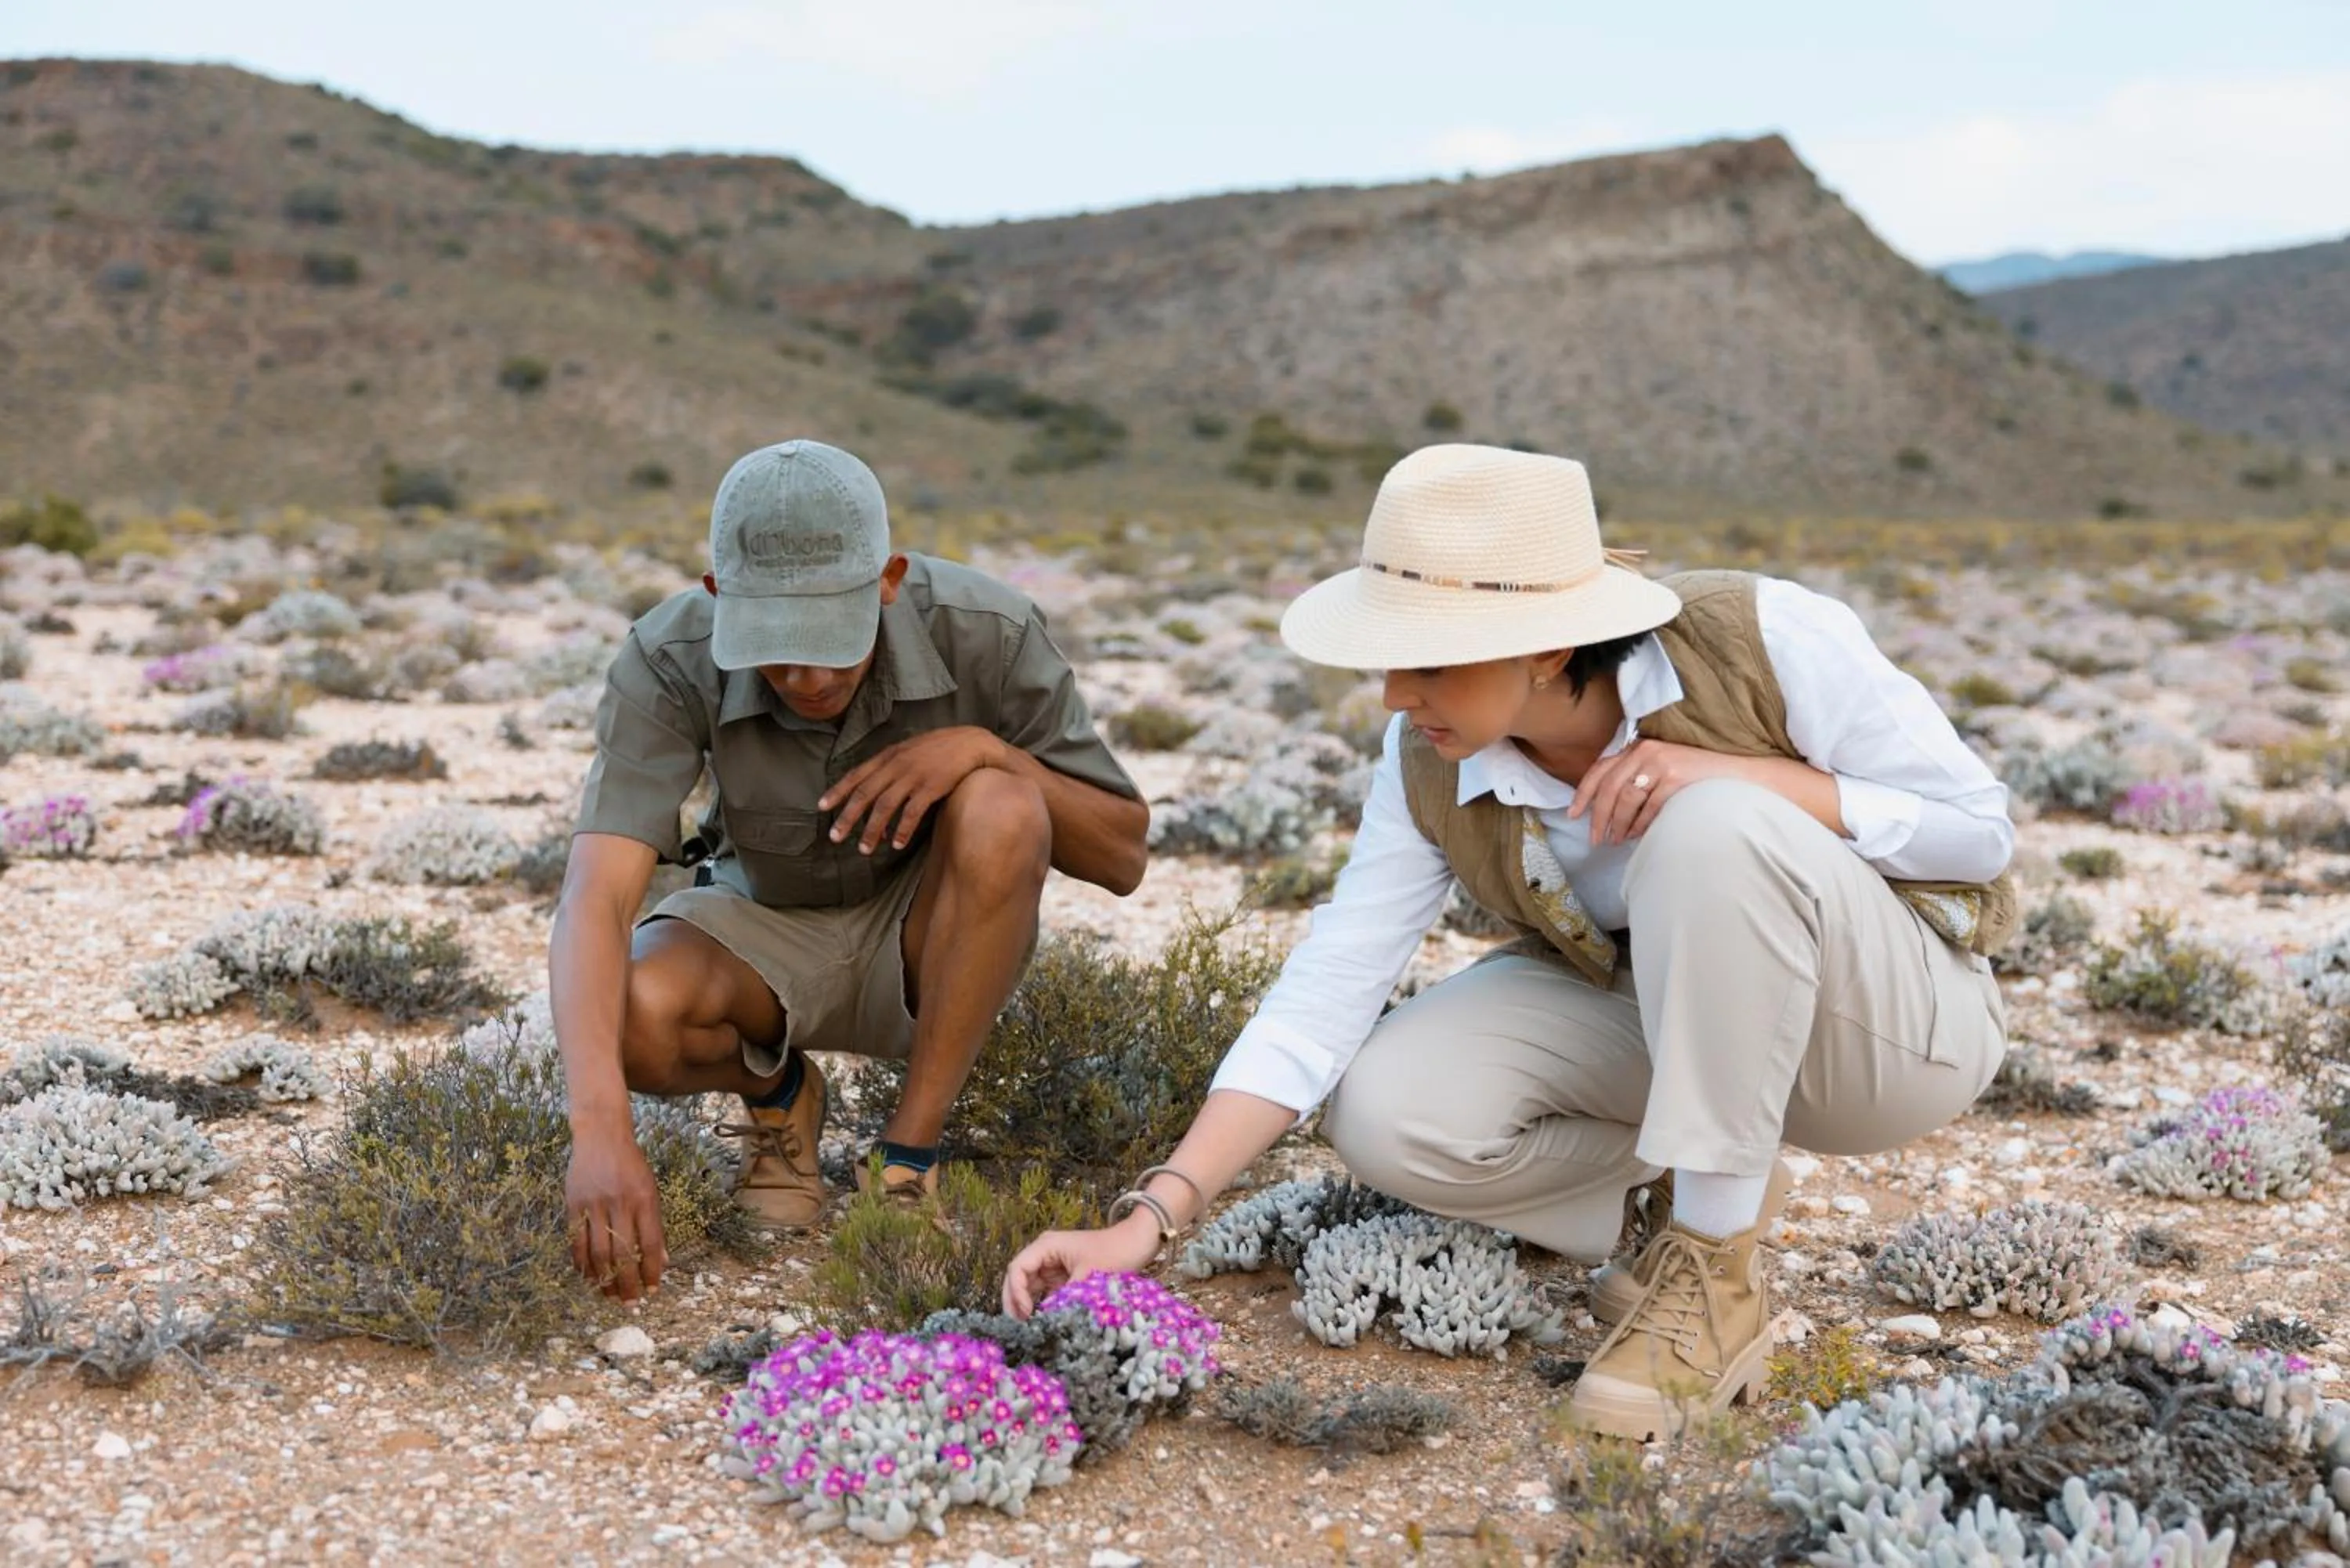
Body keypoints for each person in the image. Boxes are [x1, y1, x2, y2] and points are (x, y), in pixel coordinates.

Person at [1003, 443, 2015, 1440]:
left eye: (1431, 660)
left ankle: (1713, 1267)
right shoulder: (1427, 758)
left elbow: (1980, 832)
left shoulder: (1766, 634)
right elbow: (1331, 981)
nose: (1398, 695)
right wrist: (1152, 1215)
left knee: (1711, 827)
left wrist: (1747, 782)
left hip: (1893, 1036)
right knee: (1389, 1108)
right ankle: (1691, 1184)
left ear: (1546, 646)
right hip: (1671, 1025)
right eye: (1391, 658)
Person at [555, 439, 1148, 1302]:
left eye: (832, 641)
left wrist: (983, 752)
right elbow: (594, 899)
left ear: (889, 579)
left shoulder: (990, 631)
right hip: (759, 929)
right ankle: (780, 1090)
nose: (806, 677)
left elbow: (1123, 855)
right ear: (721, 600)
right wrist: (601, 1132)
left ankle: (907, 1158)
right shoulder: (669, 653)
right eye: (775, 646)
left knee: (1005, 804)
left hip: (928, 940)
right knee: (630, 1014)